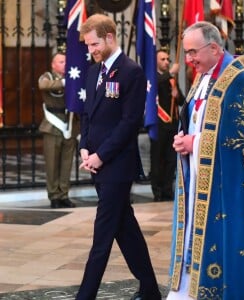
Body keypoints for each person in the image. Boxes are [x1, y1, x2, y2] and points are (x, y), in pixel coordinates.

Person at [167, 21, 244, 299]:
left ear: (213, 47)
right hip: (199, 181)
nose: (189, 60)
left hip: (229, 186)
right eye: (186, 53)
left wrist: (194, 143)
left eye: (193, 52)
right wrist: (183, 138)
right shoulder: (202, 76)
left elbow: (241, 144)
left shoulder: (239, 79)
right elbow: (197, 119)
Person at [76, 14, 161, 300]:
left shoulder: (131, 72)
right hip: (97, 163)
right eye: (88, 46)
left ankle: (84, 295)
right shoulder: (92, 72)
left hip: (117, 165)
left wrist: (101, 155)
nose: (92, 50)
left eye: (95, 44)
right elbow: (88, 115)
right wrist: (85, 147)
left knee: (102, 235)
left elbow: (129, 123)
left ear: (110, 37)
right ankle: (149, 287)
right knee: (125, 229)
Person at [38, 52, 78, 209]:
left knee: (66, 163)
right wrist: (63, 82)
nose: (64, 64)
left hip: (69, 124)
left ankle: (64, 194)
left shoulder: (74, 77)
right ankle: (54, 195)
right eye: (61, 62)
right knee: (52, 164)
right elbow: (43, 85)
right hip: (52, 125)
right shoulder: (47, 76)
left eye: (66, 61)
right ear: (53, 65)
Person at [150, 49, 184, 202]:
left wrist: (177, 96)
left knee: (171, 161)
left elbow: (182, 101)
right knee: (158, 160)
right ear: (156, 61)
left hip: (172, 124)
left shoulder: (171, 80)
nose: (166, 62)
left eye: (167, 59)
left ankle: (167, 190)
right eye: (162, 59)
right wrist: (170, 72)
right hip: (158, 124)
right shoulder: (154, 77)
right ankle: (157, 191)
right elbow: (156, 83)